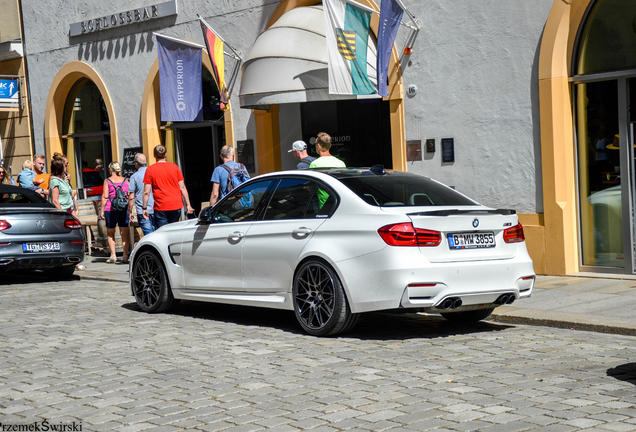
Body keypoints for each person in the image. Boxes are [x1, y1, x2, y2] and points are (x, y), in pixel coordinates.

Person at [142, 145, 194, 228]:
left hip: (161, 206)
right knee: (174, 230)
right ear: (165, 155)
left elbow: (146, 192)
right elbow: (182, 187)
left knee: (163, 232)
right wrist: (188, 205)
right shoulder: (175, 167)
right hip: (176, 205)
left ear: (154, 155)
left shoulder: (150, 169)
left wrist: (144, 208)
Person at [100, 161, 130, 264]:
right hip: (123, 208)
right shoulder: (126, 180)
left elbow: (105, 196)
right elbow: (129, 196)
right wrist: (130, 209)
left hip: (110, 209)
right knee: (125, 233)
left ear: (111, 170)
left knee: (110, 233)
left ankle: (113, 255)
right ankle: (125, 256)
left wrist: (102, 210)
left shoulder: (107, 181)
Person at [128, 152, 155, 235]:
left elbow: (131, 197)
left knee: (149, 235)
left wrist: (130, 212)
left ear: (136, 163)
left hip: (142, 211)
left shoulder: (134, 176)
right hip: (156, 208)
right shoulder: (153, 172)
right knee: (157, 233)